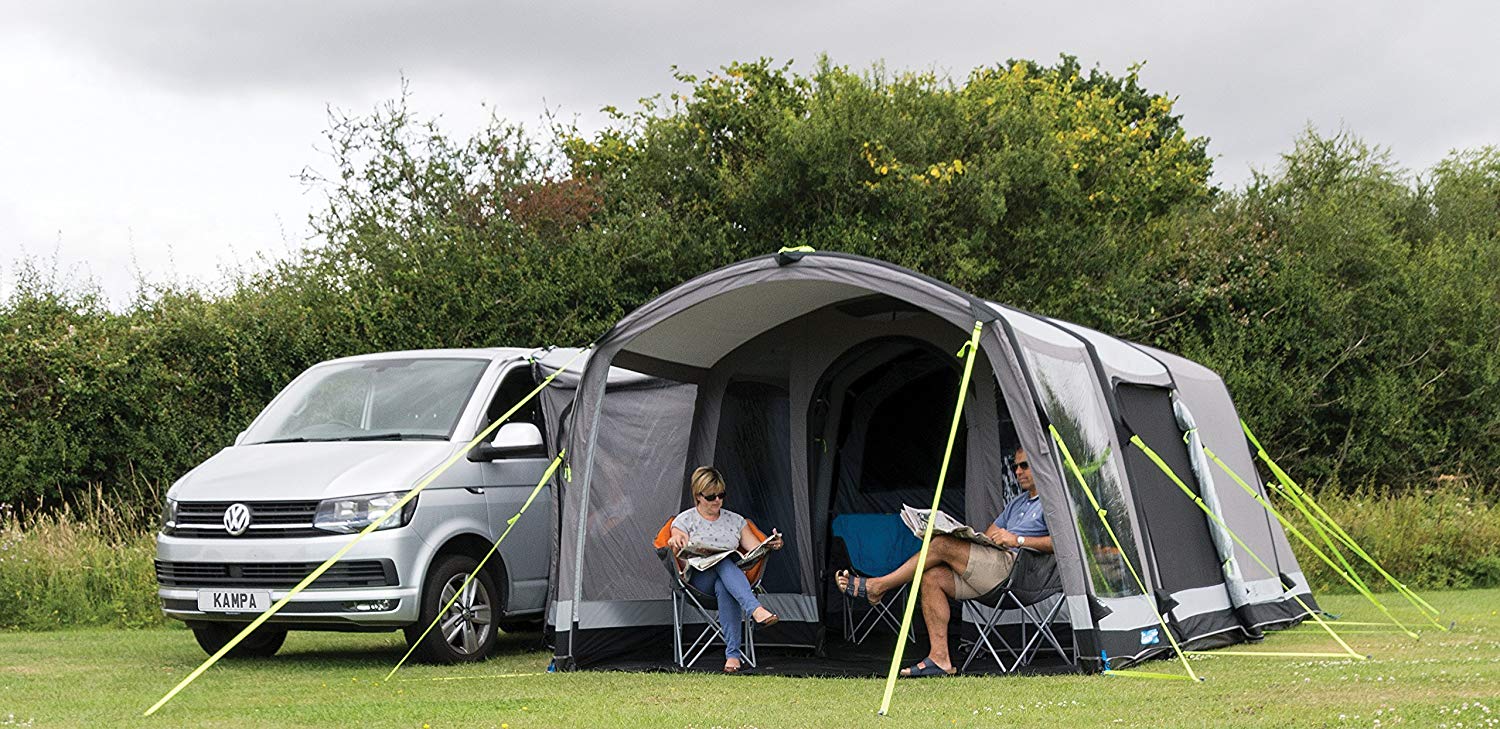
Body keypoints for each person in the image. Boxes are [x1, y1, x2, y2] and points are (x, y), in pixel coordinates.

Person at [835, 447, 1051, 677]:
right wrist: (971, 538)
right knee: (932, 576)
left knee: (939, 545)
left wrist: (1017, 539)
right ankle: (940, 659)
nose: (1018, 471)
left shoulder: (1051, 503)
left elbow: (1063, 544)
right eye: (1015, 466)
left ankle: (878, 586)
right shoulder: (1016, 504)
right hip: (993, 567)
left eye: (1024, 466)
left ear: (1038, 465)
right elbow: (989, 535)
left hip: (1019, 572)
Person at [666, 466, 785, 673]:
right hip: (698, 584)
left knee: (725, 579)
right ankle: (755, 609)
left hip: (728, 583)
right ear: (698, 496)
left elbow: (755, 549)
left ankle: (733, 657)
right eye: (711, 496)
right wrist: (676, 539)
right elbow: (674, 537)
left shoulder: (736, 520)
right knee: (722, 562)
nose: (717, 501)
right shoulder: (685, 520)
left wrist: (772, 544)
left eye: (721, 495)